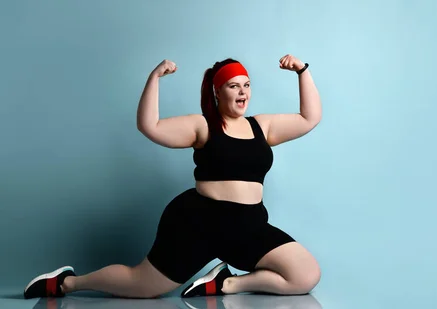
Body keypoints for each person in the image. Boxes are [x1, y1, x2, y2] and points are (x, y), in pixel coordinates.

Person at [23, 54, 322, 299]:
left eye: (246, 85)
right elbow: (149, 126)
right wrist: (154, 79)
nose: (243, 91)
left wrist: (302, 72)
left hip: (250, 226)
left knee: (305, 275)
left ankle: (226, 283)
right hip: (199, 223)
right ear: (217, 92)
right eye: (234, 86)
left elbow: (310, 118)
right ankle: (66, 283)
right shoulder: (203, 126)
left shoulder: (262, 126)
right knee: (141, 286)